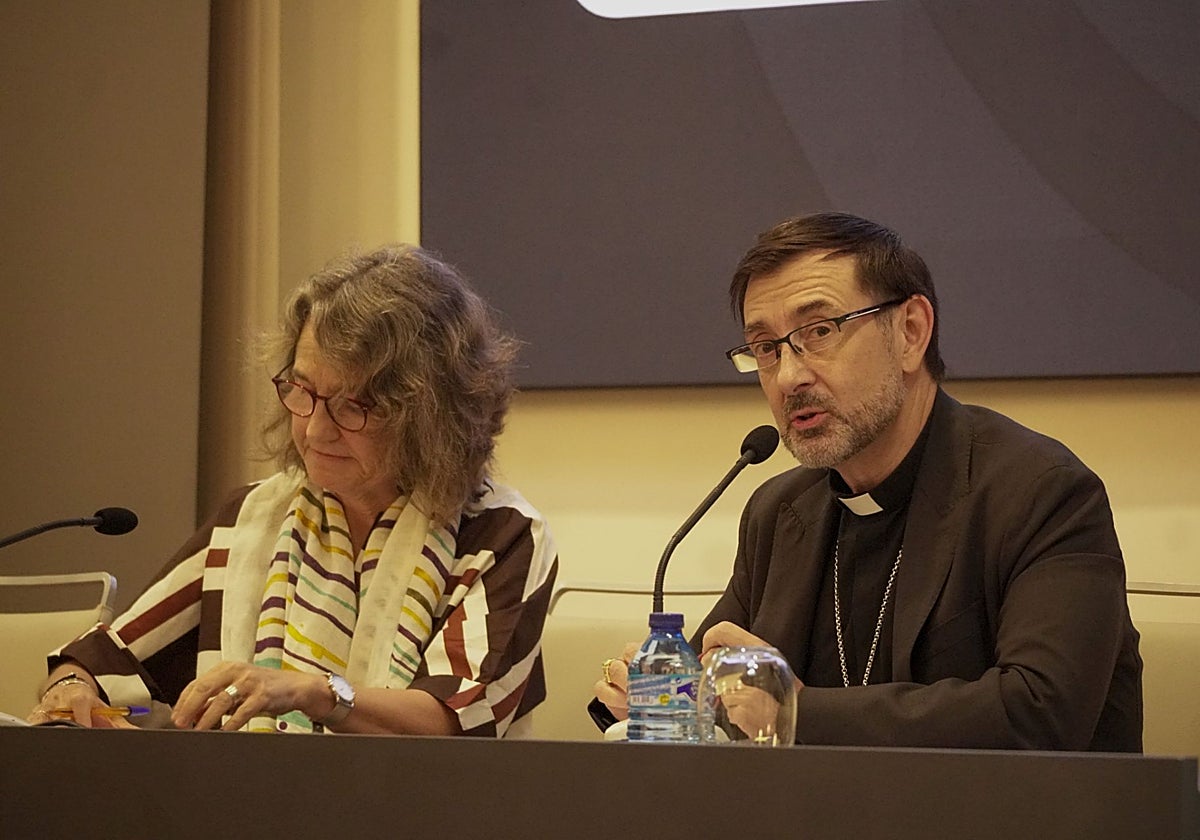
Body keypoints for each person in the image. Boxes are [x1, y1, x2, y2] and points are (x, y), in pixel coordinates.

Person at [594, 212, 1142, 750]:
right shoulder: (780, 511)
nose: (789, 377)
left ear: (910, 332)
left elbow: (1041, 713)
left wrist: (799, 712)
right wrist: (654, 695)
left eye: (819, 331)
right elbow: (712, 685)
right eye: (766, 348)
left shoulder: (1042, 492)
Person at [30, 244, 558, 737]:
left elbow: (455, 719)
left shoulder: (504, 533)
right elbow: (107, 658)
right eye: (302, 390)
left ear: (430, 415)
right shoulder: (254, 518)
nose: (315, 429)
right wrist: (71, 685)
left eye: (354, 406)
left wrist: (318, 693)